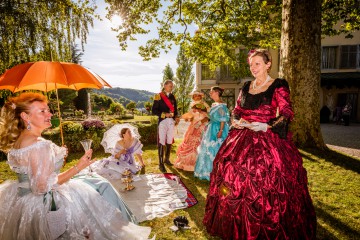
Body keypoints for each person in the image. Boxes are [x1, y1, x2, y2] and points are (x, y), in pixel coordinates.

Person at [0, 92, 151, 239]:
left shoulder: (20, 140)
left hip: (21, 200)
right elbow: (41, 187)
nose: (50, 114)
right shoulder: (39, 145)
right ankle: (123, 224)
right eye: (42, 111)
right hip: (46, 203)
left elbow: (34, 171)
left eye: (48, 109)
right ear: (25, 116)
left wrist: (56, 159)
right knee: (100, 187)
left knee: (95, 181)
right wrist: (79, 166)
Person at [203, 49, 316, 239]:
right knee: (230, 171)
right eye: (251, 64)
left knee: (263, 177)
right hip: (241, 137)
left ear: (268, 64)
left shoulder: (278, 85)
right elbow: (237, 110)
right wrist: (236, 120)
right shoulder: (247, 86)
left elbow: (287, 112)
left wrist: (267, 126)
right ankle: (234, 222)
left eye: (257, 63)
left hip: (267, 138)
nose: (253, 67)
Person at [194, 86, 230, 180]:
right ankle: (207, 171)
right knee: (207, 149)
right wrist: (202, 112)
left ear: (217, 93)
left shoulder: (222, 105)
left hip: (218, 128)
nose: (210, 94)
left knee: (216, 149)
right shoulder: (214, 104)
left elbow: (223, 119)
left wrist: (221, 131)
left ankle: (218, 172)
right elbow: (211, 117)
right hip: (211, 127)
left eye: (211, 92)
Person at [174, 90, 209, 171]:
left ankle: (196, 164)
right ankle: (186, 163)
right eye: (194, 95)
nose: (196, 97)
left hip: (201, 126)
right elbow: (192, 117)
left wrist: (200, 122)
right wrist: (188, 119)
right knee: (188, 141)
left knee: (197, 143)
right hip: (193, 126)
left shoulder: (204, 104)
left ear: (200, 96)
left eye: (197, 95)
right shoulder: (192, 105)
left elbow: (207, 117)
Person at [152, 79, 180, 172]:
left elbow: (175, 109)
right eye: (170, 86)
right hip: (162, 122)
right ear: (165, 86)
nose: (172, 87)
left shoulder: (173, 96)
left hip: (171, 122)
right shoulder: (158, 96)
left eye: (172, 86)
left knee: (169, 141)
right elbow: (154, 111)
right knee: (161, 141)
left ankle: (166, 159)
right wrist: (164, 114)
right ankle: (161, 164)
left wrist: (176, 117)